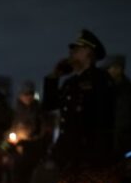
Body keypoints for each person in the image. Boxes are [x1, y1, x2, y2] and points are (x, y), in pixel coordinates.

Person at [43, 29, 114, 167]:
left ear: (89, 52)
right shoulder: (70, 83)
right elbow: (50, 105)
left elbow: (103, 119)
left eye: (77, 49)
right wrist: (54, 76)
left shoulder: (100, 79)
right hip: (67, 153)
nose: (72, 52)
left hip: (88, 153)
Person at [101, 55, 131, 158]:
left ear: (118, 69)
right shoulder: (103, 92)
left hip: (127, 148)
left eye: (108, 68)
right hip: (107, 149)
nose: (106, 72)